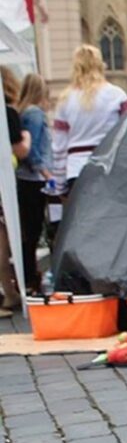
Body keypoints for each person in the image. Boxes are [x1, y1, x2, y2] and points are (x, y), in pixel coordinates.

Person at [53, 45, 127, 195]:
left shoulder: (65, 99)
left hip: (76, 169)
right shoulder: (117, 95)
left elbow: (59, 146)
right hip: (109, 167)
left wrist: (59, 184)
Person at [16, 73, 52, 294]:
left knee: (28, 232)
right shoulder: (36, 114)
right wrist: (47, 174)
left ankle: (29, 277)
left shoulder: (23, 112)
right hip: (34, 179)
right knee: (34, 229)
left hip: (25, 179)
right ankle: (31, 278)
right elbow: (35, 149)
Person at [0, 67, 29, 317]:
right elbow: (20, 150)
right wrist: (27, 138)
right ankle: (10, 293)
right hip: (4, 185)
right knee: (4, 240)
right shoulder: (7, 113)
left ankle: (9, 292)